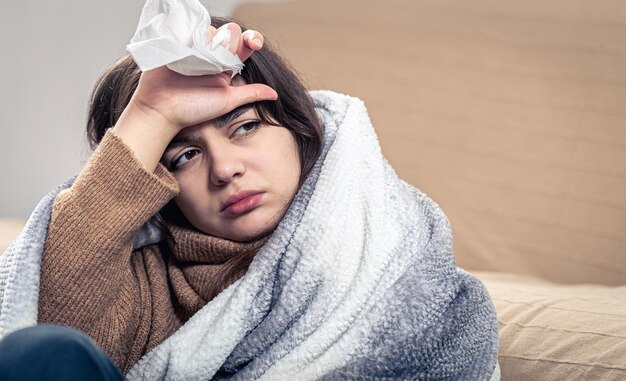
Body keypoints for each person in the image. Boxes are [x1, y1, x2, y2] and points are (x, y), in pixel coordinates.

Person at [0, 16, 500, 381]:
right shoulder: (145, 283)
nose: (225, 169)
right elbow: (45, 332)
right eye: (183, 157)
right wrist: (151, 113)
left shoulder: (390, 255)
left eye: (244, 127)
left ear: (299, 129)